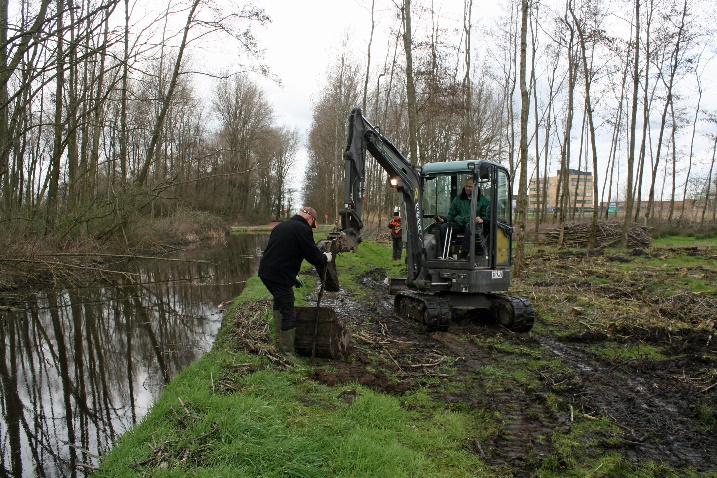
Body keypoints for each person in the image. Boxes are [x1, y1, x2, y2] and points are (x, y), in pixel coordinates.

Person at [258, 206, 332, 355]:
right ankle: (287, 353)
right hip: (279, 276)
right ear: (310, 219)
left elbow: (281, 252)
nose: (311, 226)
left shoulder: (282, 226)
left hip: (266, 272)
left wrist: (293, 275)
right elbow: (313, 256)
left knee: (279, 301)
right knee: (288, 312)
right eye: (312, 224)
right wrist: (325, 257)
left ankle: (279, 339)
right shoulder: (303, 230)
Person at [435, 177, 490, 260]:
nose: (467, 188)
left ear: (476, 188)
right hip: (460, 224)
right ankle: (446, 254)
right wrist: (444, 220)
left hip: (475, 227)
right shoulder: (458, 199)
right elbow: (451, 215)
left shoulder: (483, 200)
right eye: (466, 186)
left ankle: (464, 255)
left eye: (470, 187)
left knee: (470, 226)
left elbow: (487, 216)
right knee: (445, 227)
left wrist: (482, 219)